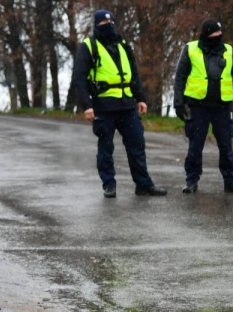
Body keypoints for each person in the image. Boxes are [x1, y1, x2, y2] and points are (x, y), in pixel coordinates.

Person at [70, 10, 166, 198]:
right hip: (103, 106)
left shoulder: (122, 45)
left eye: (111, 21)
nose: (109, 25)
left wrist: (141, 98)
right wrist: (87, 106)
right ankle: (109, 185)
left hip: (127, 106)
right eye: (104, 22)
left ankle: (143, 185)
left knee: (137, 145)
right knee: (106, 148)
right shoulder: (89, 46)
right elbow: (79, 79)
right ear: (97, 24)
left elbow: (134, 74)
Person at [173, 19, 233, 194]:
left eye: (220, 35)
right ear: (206, 34)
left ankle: (231, 181)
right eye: (215, 35)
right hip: (198, 105)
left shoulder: (228, 51)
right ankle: (191, 180)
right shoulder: (190, 49)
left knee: (226, 146)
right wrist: (178, 102)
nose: (218, 38)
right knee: (195, 146)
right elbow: (180, 77)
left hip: (222, 106)